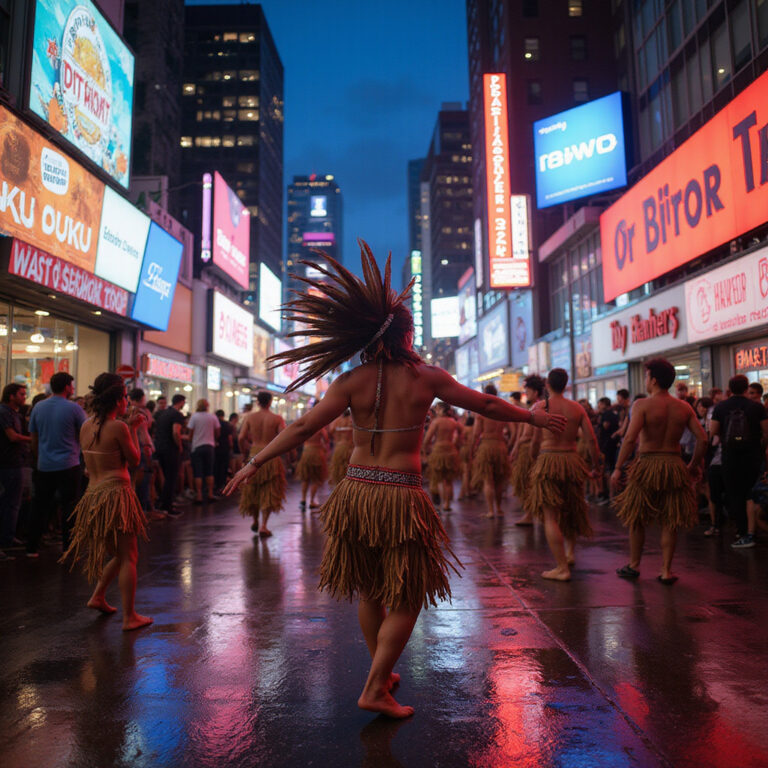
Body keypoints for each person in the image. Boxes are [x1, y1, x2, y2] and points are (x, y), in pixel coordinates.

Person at [223, 243, 566, 718]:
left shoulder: (350, 381)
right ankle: (375, 685)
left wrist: (254, 462)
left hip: (356, 492)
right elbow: (485, 405)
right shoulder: (426, 378)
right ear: (406, 336)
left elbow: (302, 428)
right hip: (400, 495)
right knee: (407, 593)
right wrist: (530, 418)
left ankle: (380, 672)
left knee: (370, 589)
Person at [60, 373, 151, 631]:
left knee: (119, 553)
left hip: (93, 495)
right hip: (116, 494)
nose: (127, 401)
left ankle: (98, 596)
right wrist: (134, 429)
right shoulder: (119, 427)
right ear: (118, 400)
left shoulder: (86, 425)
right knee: (129, 556)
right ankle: (130, 616)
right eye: (125, 397)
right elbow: (134, 461)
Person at [611, 358, 707, 584]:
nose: (645, 380)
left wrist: (617, 467)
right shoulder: (683, 407)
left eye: (646, 376)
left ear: (653, 379)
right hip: (673, 465)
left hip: (647, 464)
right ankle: (666, 570)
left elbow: (630, 439)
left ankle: (634, 566)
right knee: (670, 519)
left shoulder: (642, 405)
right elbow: (702, 439)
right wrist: (693, 465)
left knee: (637, 517)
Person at [526, 369, 600, 580]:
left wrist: (533, 461)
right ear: (566, 384)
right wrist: (595, 466)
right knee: (571, 509)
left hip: (548, 460)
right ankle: (569, 553)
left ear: (547, 384)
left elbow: (534, 441)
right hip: (571, 460)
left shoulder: (540, 407)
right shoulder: (576, 408)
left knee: (551, 516)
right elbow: (591, 440)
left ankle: (561, 568)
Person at [26, 372, 86, 557]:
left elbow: (33, 437)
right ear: (67, 387)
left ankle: (32, 547)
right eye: (72, 385)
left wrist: (38, 458)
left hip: (45, 465)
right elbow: (85, 433)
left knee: (40, 506)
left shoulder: (38, 407)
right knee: (69, 505)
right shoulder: (74, 408)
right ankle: (69, 547)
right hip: (69, 464)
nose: (73, 388)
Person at [710, 375, 768, 549]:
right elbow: (766, 432)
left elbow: (713, 431)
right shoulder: (757, 407)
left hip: (730, 457)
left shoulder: (721, 407)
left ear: (730, 388)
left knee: (735, 494)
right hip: (753, 456)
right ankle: (751, 532)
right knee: (751, 493)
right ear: (746, 388)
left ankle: (742, 531)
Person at [238, 391, 286, 537]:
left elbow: (241, 437)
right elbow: (284, 438)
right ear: (270, 402)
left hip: (254, 455)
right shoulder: (277, 418)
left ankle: (255, 520)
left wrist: (243, 453)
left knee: (252, 489)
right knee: (269, 490)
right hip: (270, 456)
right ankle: (264, 525)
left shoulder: (249, 417)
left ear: (257, 402)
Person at [0, 383, 31, 559]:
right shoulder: (4, 412)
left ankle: (9, 536)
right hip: (8, 463)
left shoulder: (13, 413)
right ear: (11, 396)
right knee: (10, 502)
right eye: (21, 394)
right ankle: (6, 539)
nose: (24, 397)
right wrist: (31, 440)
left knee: (13, 502)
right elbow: (12, 436)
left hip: (14, 462)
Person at [470, 384, 510, 518]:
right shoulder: (503, 410)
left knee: (488, 480)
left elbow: (476, 434)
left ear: (485, 394)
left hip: (486, 446)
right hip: (500, 446)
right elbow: (513, 431)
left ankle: (491, 511)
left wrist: (472, 449)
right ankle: (499, 509)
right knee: (499, 480)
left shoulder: (482, 412)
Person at [510, 375, 544, 524]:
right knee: (527, 483)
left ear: (535, 392)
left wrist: (524, 449)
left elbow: (533, 435)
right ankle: (532, 514)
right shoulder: (532, 408)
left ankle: (531, 515)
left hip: (531, 450)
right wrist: (516, 447)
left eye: (528, 391)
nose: (526, 394)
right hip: (527, 449)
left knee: (528, 483)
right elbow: (520, 432)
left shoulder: (538, 408)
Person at [424, 402, 462, 513]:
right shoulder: (453, 422)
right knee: (449, 480)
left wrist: (426, 450)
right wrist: (457, 442)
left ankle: (442, 505)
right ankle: (447, 504)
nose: (435, 411)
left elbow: (427, 439)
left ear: (441, 409)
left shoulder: (436, 422)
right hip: (451, 450)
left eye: (437, 409)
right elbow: (462, 432)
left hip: (439, 451)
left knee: (440, 480)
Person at [154, 394, 186, 515]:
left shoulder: (164, 413)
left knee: (166, 477)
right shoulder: (177, 415)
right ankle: (168, 506)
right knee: (171, 478)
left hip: (159, 447)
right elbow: (176, 433)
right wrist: (180, 446)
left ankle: (163, 503)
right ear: (181, 402)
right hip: (170, 449)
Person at [187, 399, 220, 503]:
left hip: (197, 446)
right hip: (210, 446)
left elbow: (190, 433)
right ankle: (210, 494)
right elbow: (218, 431)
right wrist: (213, 438)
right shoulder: (212, 417)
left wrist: (191, 439)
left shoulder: (194, 416)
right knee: (209, 471)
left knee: (198, 472)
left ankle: (199, 495)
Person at [296, 421, 329, 510]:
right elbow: (326, 440)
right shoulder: (320, 428)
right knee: (315, 478)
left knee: (305, 477)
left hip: (306, 453)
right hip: (317, 453)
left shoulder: (306, 427)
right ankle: (311, 501)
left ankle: (303, 500)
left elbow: (299, 439)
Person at [329, 409, 354, 485]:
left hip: (339, 448)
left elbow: (331, 431)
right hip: (350, 450)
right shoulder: (351, 421)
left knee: (338, 471)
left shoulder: (337, 421)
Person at [214, 409, 234, 492]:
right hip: (225, 448)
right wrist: (231, 446)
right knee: (224, 467)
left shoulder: (215, 424)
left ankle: (216, 484)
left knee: (216, 466)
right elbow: (230, 437)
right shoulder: (226, 424)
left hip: (216, 448)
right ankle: (222, 485)